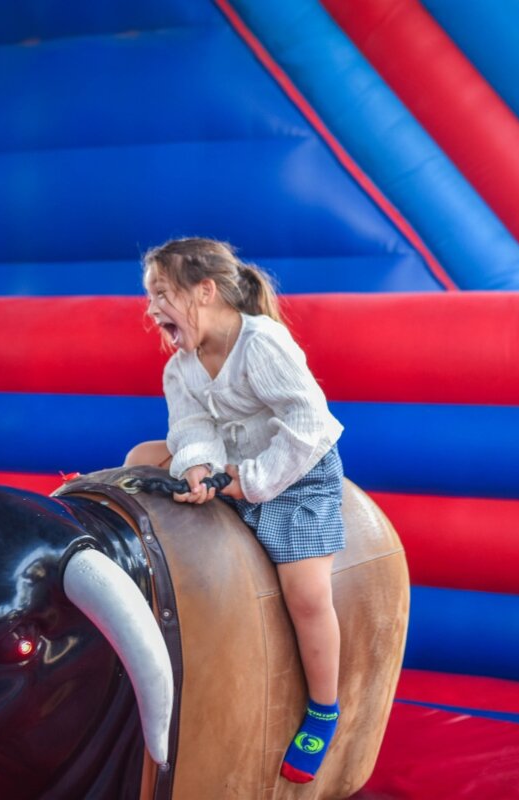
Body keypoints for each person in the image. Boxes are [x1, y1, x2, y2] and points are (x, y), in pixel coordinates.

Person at [126, 237, 346, 784]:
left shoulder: (262, 343)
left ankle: (324, 707)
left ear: (206, 291)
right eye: (149, 296)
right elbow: (191, 427)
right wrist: (199, 467)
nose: (151, 309)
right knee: (140, 458)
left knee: (307, 593)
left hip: (291, 472)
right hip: (230, 467)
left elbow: (309, 425)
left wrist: (248, 482)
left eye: (161, 293)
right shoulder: (181, 365)